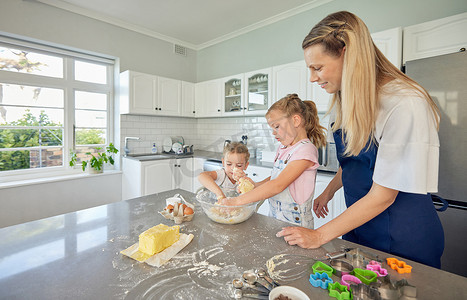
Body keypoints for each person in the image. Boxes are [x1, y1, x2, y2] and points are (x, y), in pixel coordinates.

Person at [276, 11, 444, 268]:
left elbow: (384, 196)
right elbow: (355, 161)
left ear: (347, 53)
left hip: (401, 237)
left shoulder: (403, 102)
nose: (312, 78)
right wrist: (329, 191)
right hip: (360, 227)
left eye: (317, 68)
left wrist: (319, 234)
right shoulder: (344, 103)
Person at [219, 94, 327, 229]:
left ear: (295, 121)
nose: (273, 133)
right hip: (276, 218)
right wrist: (256, 185)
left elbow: (278, 185)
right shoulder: (283, 148)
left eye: (276, 126)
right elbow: (277, 176)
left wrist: (235, 202)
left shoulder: (306, 150)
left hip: (296, 225)